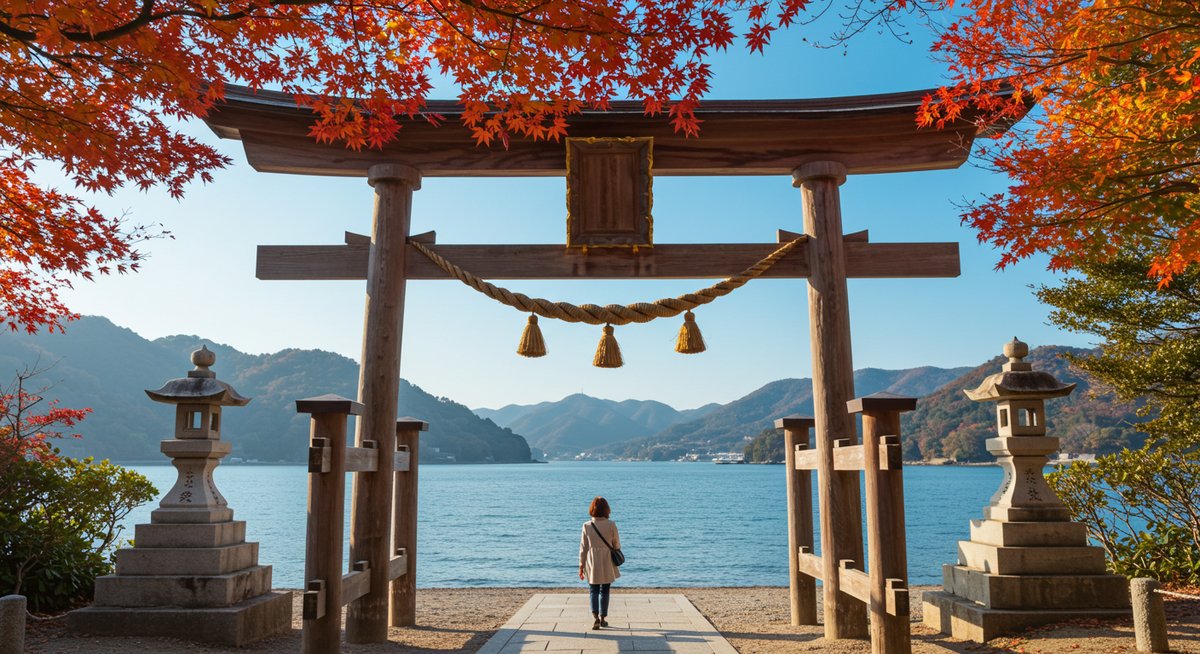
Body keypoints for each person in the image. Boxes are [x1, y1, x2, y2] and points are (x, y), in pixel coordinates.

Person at [578, 495, 620, 630]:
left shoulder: (587, 525)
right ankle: (603, 618)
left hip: (592, 561)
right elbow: (617, 545)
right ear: (606, 509)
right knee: (605, 590)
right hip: (607, 560)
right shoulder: (611, 524)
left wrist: (581, 565)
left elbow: (583, 548)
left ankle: (595, 617)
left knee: (593, 590)